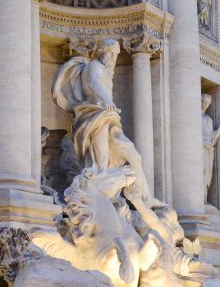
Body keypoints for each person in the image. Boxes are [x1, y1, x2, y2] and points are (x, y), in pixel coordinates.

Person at [52, 39, 156, 207]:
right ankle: (99, 201)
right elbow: (93, 83)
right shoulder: (94, 66)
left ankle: (146, 197)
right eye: (112, 54)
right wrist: (108, 100)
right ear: (103, 52)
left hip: (108, 117)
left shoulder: (105, 70)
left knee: (132, 154)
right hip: (95, 115)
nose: (113, 58)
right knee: (101, 164)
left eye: (115, 55)